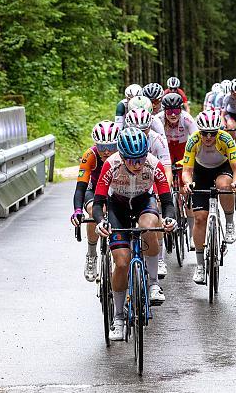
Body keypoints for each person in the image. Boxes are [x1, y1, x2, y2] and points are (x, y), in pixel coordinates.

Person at [92, 128, 177, 341]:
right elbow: (99, 201)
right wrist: (100, 222)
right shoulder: (110, 164)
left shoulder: (153, 164)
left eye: (140, 159)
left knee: (150, 225)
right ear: (121, 155)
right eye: (130, 160)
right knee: (121, 263)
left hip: (143, 201)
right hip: (117, 206)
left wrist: (169, 218)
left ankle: (153, 283)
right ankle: (118, 318)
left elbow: (167, 201)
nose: (137, 165)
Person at [180, 110, 236, 285]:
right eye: (205, 133)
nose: (208, 137)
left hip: (222, 169)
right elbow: (187, 171)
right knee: (200, 218)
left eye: (212, 133)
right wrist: (187, 183)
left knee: (224, 186)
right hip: (200, 173)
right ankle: (200, 265)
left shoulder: (225, 139)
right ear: (199, 131)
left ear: (218, 131)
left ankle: (229, 222)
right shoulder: (193, 140)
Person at [125, 108, 173, 279]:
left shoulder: (157, 139)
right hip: (125, 188)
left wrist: (164, 190)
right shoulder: (123, 140)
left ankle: (158, 258)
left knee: (154, 217)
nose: (141, 133)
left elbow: (166, 167)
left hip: (149, 182)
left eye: (145, 129)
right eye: (137, 130)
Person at [70, 120, 120, 282]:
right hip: (93, 191)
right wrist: (77, 210)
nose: (106, 151)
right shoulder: (89, 155)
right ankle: (92, 254)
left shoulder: (123, 154)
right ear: (95, 144)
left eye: (111, 146)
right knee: (94, 211)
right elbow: (80, 188)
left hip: (115, 191)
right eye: (101, 146)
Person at [157, 92, 197, 238]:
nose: (173, 114)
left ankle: (192, 233)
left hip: (183, 149)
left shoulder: (187, 119)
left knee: (185, 189)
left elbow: (195, 139)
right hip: (165, 148)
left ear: (181, 109)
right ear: (164, 111)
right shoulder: (158, 119)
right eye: (169, 111)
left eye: (176, 111)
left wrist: (191, 162)